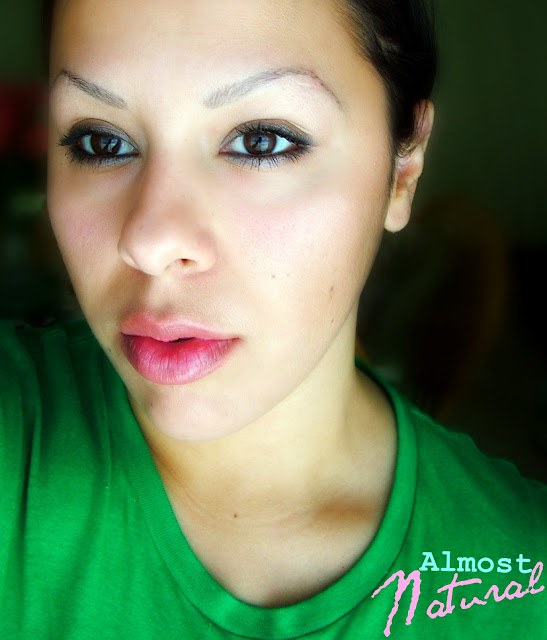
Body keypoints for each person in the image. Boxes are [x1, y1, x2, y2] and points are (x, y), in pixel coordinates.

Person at [1, 0, 544, 638]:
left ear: (404, 167)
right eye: (102, 142)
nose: (149, 242)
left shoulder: (523, 584)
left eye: (262, 141)